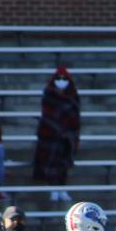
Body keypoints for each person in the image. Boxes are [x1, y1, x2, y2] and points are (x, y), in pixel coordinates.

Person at [32, 66, 79, 204]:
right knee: (51, 163)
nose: (61, 81)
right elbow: (47, 115)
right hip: (50, 135)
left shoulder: (73, 96)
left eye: (64, 79)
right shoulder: (49, 95)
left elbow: (75, 117)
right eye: (59, 79)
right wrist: (56, 129)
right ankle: (53, 188)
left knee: (63, 163)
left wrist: (70, 133)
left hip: (67, 135)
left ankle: (62, 188)